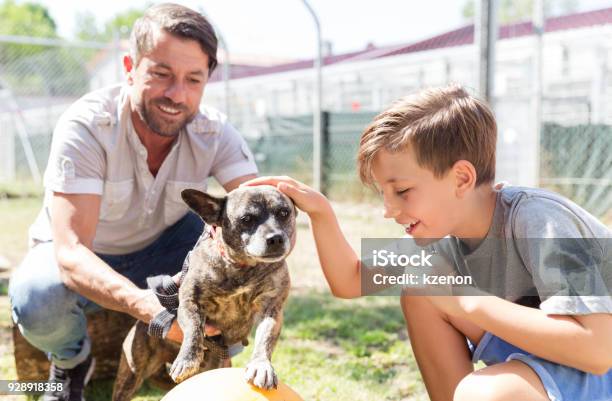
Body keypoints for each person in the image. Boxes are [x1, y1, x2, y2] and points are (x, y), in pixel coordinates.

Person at [244, 84, 612, 401]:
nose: (389, 209)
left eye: (402, 191)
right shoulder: (442, 236)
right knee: (422, 288)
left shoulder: (538, 218)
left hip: (601, 366)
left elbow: (598, 350)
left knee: (482, 392)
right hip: (556, 364)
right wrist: (321, 212)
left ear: (461, 179)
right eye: (384, 194)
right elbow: (351, 279)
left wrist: (468, 301)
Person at [9, 4, 257, 400]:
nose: (177, 94)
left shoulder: (216, 131)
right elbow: (72, 251)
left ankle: (199, 363)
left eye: (193, 79)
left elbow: (257, 211)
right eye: (161, 74)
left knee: (244, 267)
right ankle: (72, 363)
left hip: (166, 250)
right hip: (83, 251)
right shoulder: (88, 124)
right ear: (130, 66)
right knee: (38, 298)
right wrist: (152, 309)